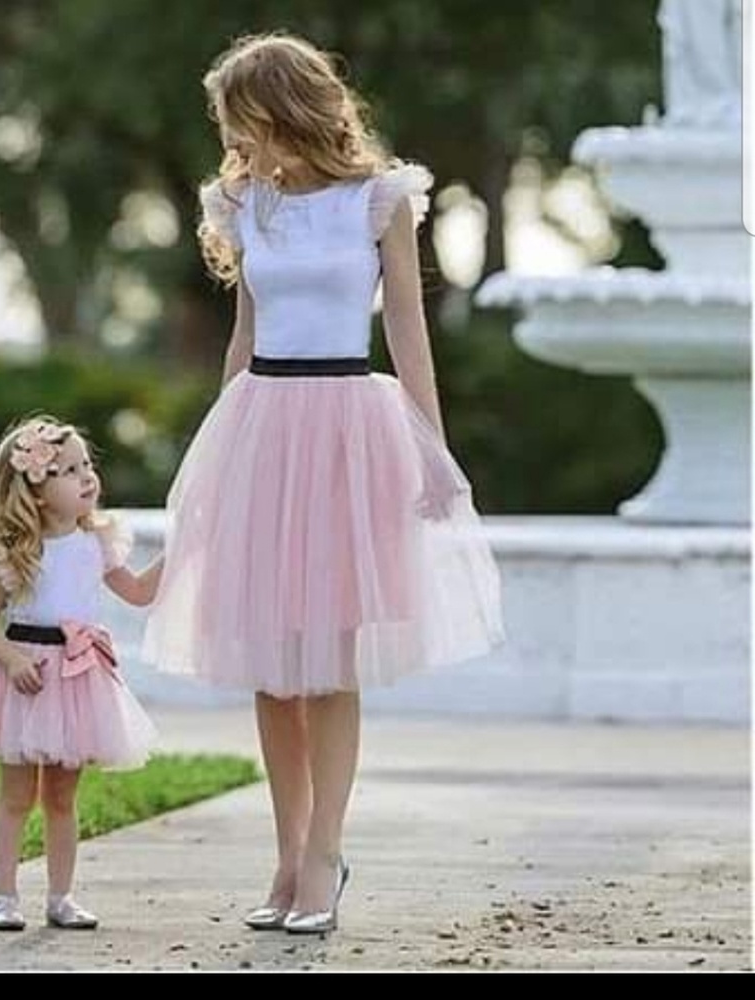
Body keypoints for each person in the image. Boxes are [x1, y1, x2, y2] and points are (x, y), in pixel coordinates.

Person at [142, 31, 506, 935]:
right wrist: (218, 456)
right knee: (272, 668)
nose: (232, 137)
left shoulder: (382, 200)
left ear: (282, 108)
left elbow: (409, 333)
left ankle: (325, 854)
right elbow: (243, 338)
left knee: (331, 661)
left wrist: (431, 451)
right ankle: (287, 851)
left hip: (349, 428)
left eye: (239, 117)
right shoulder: (242, 204)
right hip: (263, 423)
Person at [0, 415, 164, 932]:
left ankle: (62, 897)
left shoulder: (97, 543)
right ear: (37, 492)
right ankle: (3, 897)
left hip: (76, 679)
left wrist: (177, 555)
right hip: (26, 679)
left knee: (62, 798)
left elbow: (138, 593)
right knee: (16, 796)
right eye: (68, 471)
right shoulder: (15, 551)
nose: (87, 477)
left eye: (86, 465)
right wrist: (12, 659)